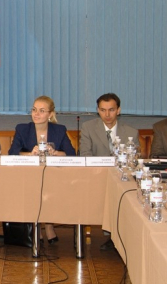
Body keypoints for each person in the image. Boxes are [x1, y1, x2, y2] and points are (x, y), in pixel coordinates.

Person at [9, 95, 76, 244]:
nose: (36, 114)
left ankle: (49, 224)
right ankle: (37, 225)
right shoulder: (22, 129)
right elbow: (12, 152)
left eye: (41, 111)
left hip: (54, 175)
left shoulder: (59, 130)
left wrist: (55, 152)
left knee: (49, 187)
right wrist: (30, 154)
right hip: (28, 175)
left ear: (50, 114)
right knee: (34, 187)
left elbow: (72, 154)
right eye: (34, 110)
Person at [79, 92, 138, 250]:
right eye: (103, 110)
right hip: (96, 177)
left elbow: (133, 161)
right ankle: (112, 235)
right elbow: (85, 155)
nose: (107, 114)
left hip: (122, 179)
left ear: (118, 110)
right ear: (98, 110)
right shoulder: (88, 128)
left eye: (111, 110)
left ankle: (120, 235)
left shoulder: (131, 132)